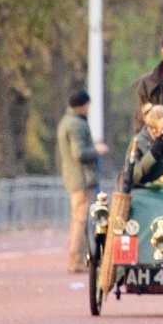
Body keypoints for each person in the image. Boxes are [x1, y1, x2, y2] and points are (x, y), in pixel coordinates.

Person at [57, 90, 107, 273]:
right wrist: (97, 150)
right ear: (83, 105)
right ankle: (76, 260)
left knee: (78, 220)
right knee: (80, 221)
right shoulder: (76, 125)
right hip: (82, 179)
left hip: (74, 178)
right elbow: (79, 153)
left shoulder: (66, 122)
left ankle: (80, 258)